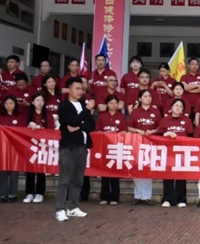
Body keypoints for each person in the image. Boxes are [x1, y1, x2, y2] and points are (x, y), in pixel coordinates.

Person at [56, 77, 95, 222]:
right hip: (69, 147)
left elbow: (91, 125)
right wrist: (85, 113)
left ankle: (73, 207)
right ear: (69, 89)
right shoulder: (65, 105)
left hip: (82, 147)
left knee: (78, 180)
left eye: (82, 89)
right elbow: (72, 121)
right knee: (65, 179)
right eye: (77, 88)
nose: (80, 91)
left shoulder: (83, 105)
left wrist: (78, 126)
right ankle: (60, 209)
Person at [157, 98, 193, 208]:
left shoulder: (186, 120)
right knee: (168, 176)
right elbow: (159, 135)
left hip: (182, 152)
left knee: (181, 176)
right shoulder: (165, 120)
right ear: (171, 107)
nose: (178, 108)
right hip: (168, 152)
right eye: (176, 105)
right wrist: (167, 133)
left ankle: (181, 199)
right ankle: (167, 199)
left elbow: (191, 136)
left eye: (181, 106)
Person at [127, 89, 160, 205]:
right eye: (145, 96)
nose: (148, 98)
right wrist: (137, 130)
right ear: (140, 99)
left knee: (147, 168)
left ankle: (146, 196)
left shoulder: (156, 112)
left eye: (149, 96)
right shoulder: (135, 112)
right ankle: (137, 196)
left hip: (150, 144)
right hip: (137, 143)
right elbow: (129, 127)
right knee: (137, 168)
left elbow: (160, 127)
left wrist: (153, 131)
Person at [0, 95, 27, 202]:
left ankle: (13, 194)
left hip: (15, 148)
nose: (9, 105)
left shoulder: (20, 117)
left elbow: (23, 132)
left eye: (11, 103)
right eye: (7, 103)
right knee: (2, 171)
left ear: (15, 104)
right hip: (2, 147)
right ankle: (3, 194)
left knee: (14, 172)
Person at [96, 95, 127, 206]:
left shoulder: (122, 116)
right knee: (104, 172)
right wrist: (106, 135)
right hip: (105, 147)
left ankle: (115, 197)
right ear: (107, 105)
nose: (113, 105)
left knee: (115, 173)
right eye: (111, 103)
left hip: (116, 147)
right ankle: (104, 197)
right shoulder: (102, 116)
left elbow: (124, 131)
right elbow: (98, 131)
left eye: (115, 103)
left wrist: (115, 136)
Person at [24, 93, 52, 203]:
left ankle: (40, 193)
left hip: (43, 145)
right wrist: (29, 125)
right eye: (37, 100)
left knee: (41, 170)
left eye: (42, 100)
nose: (40, 102)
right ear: (32, 102)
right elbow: (22, 129)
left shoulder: (47, 114)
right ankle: (29, 193)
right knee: (30, 169)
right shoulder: (28, 114)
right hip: (30, 145)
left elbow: (51, 130)